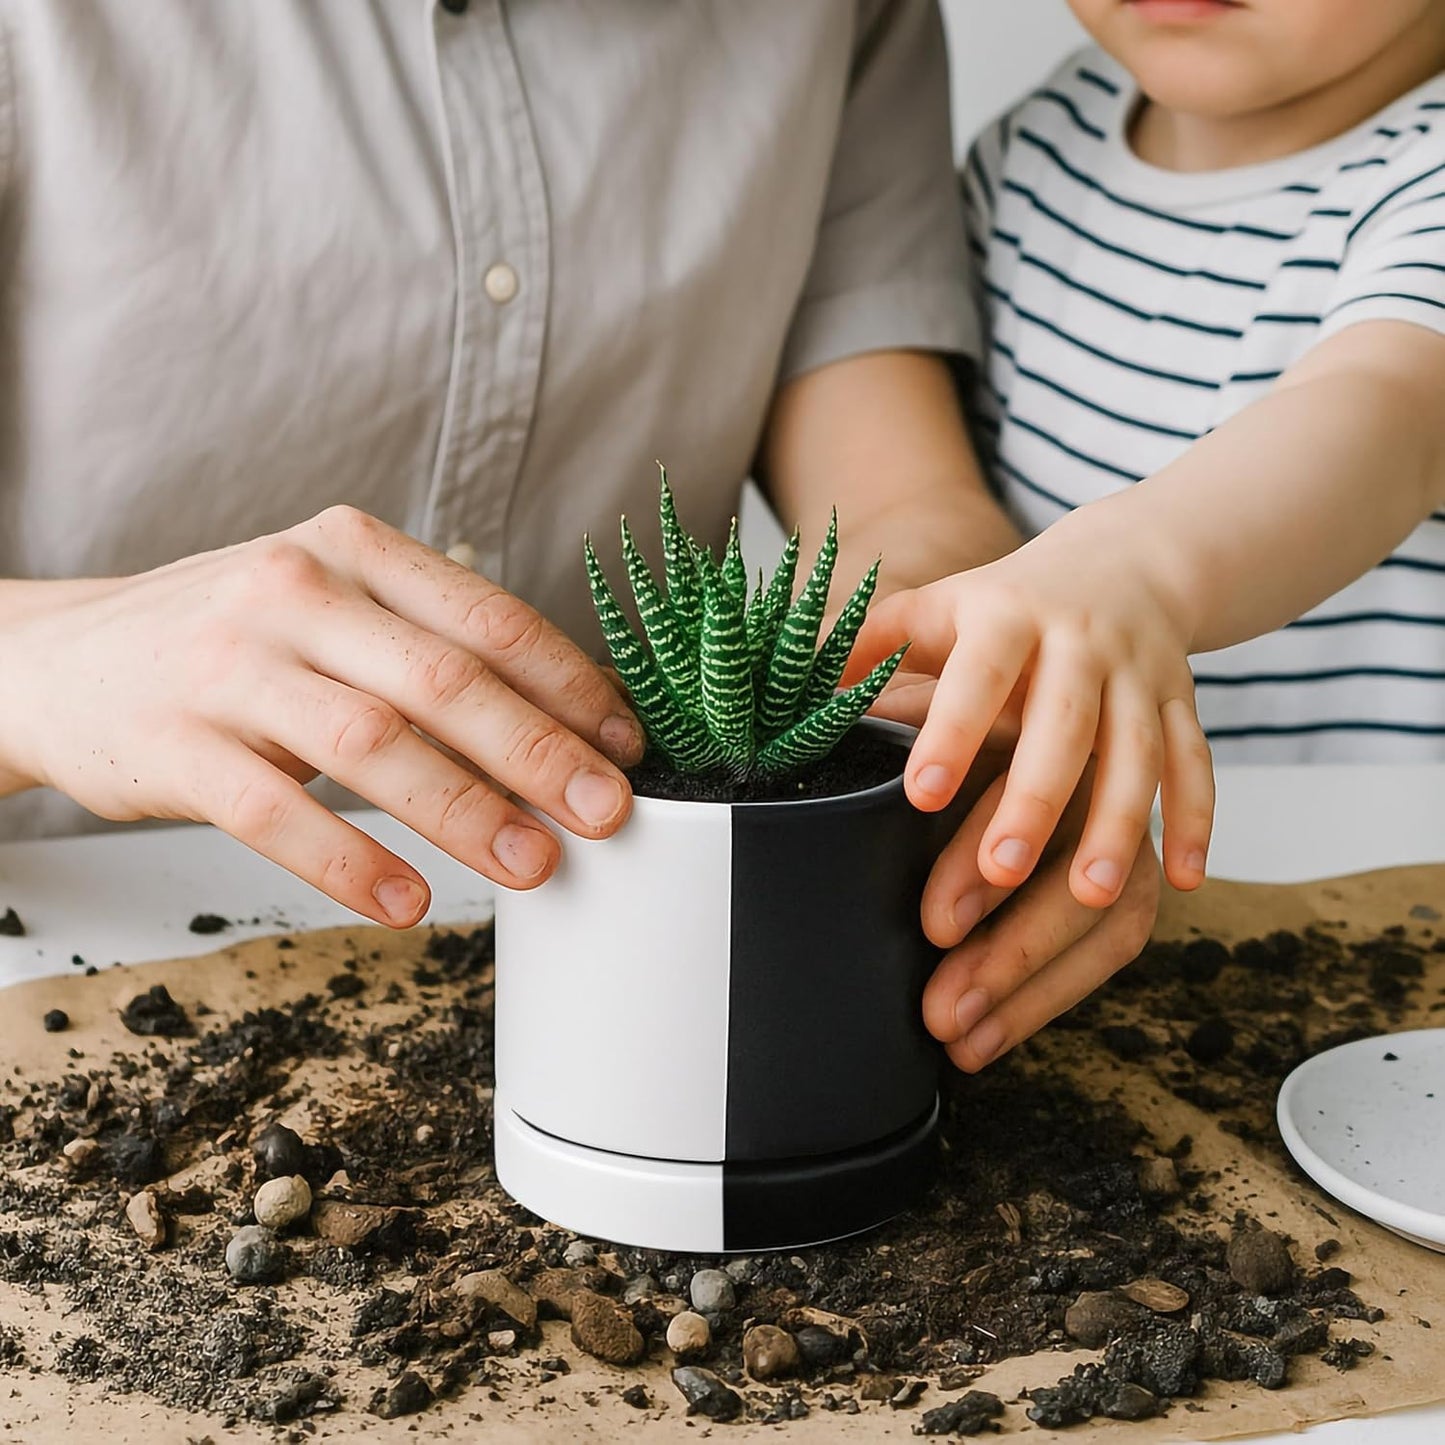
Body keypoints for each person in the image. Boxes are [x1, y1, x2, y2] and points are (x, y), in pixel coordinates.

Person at [0, 3, 1160, 1028]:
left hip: (658, 956)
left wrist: (976, 689)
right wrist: (41, 668)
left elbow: (898, 498)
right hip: (90, 953)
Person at [847, 0, 1445, 1072]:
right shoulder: (1032, 151)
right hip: (1096, 945)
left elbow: (1386, 413)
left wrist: (1133, 568)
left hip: (1382, 958)